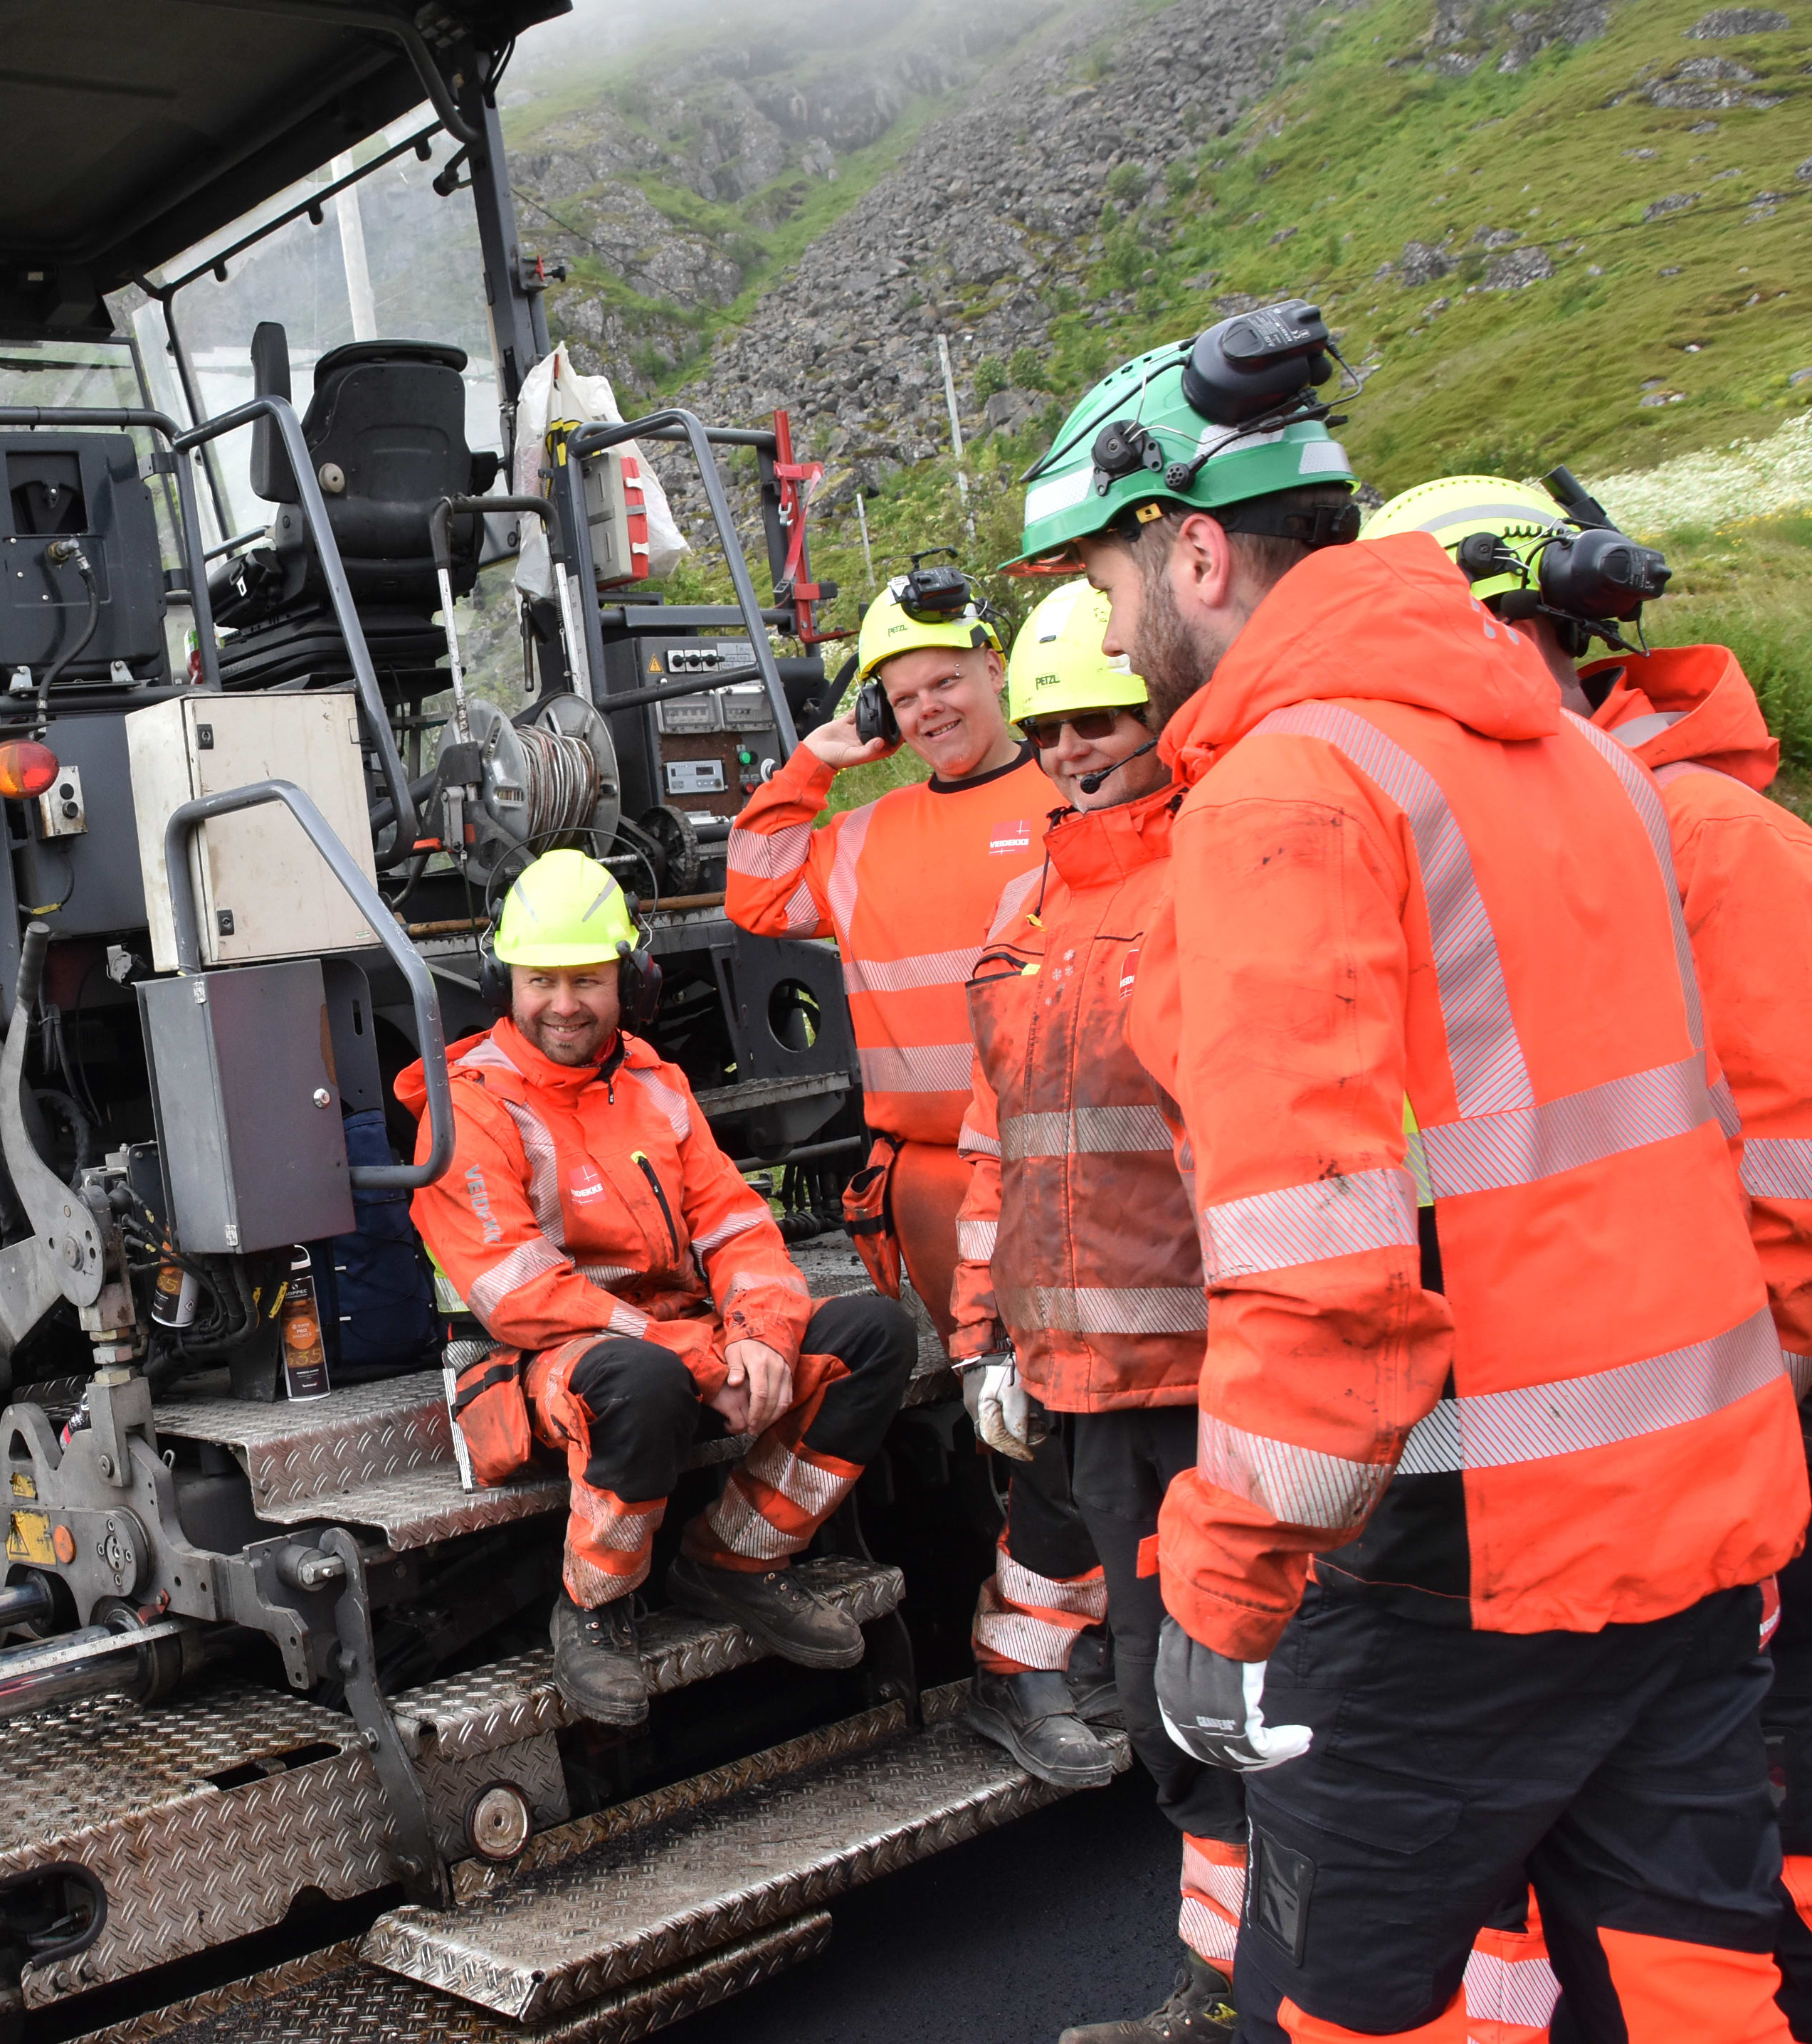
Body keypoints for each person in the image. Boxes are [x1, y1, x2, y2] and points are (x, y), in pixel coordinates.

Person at [1020, 308, 1806, 2042]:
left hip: (1448, 1572)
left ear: (1195, 553)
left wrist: (1220, 1591)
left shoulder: (1287, 795)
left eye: (1103, 580)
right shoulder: (1584, 767)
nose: (1108, 631)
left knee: (1341, 2014)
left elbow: (1320, 1272)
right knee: (1692, 1993)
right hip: (1680, 1538)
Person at [1375, 474, 1812, 2038]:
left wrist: (1763, 1383)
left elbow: (1788, 1152)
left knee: (1741, 1846)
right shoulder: (1500, 841)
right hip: (1606, 1458)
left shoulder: (1701, 835)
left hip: (1733, 1439)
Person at [727, 567, 1120, 1787]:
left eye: (948, 679)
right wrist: (821, 757)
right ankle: (1040, 1656)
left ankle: (1094, 1644)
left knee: (1104, 1417)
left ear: (999, 670)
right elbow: (755, 883)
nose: (931, 707)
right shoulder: (865, 835)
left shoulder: (1072, 798)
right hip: (945, 1186)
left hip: (1088, 1162)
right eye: (904, 695)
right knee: (1030, 1426)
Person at [399, 849, 917, 1726]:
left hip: (674, 1343)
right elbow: (520, 1297)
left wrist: (760, 1337)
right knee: (644, 1378)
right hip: (537, 1367)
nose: (564, 1004)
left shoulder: (653, 1082)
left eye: (587, 980)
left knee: (875, 1335)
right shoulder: (471, 1104)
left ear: (629, 981)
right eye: (540, 981)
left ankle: (735, 1559)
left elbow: (737, 1227)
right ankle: (593, 1606)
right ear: (503, 983)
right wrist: (701, 1358)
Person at [944, 581, 1245, 2044]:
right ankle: (1227, 1988)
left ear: (1160, 717)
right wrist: (980, 1339)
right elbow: (994, 1146)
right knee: (1173, 1704)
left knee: (1255, 1694)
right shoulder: (1028, 913)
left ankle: (1290, 1986)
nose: (1073, 750)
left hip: (1222, 1373)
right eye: (1051, 727)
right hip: (1088, 1385)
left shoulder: (1217, 872)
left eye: (1102, 720)